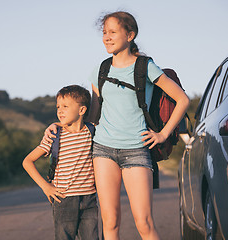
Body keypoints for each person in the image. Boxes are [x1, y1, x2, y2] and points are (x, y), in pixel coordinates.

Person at [44, 11, 190, 240]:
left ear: (130, 34)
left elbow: (183, 99)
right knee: (110, 223)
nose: (106, 37)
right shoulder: (101, 70)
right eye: (104, 33)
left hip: (136, 150)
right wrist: (60, 125)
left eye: (113, 32)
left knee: (144, 223)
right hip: (103, 150)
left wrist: (162, 134)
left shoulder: (145, 67)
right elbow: (91, 118)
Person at [22, 85, 99, 240]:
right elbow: (27, 161)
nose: (60, 111)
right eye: (58, 107)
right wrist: (45, 186)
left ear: (82, 110)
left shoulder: (93, 131)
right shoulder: (54, 136)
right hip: (64, 198)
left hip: (89, 196)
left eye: (65, 106)